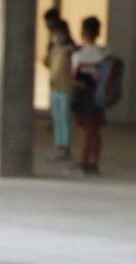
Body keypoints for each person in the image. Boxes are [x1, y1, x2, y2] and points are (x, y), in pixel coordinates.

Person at [70, 16, 109, 177]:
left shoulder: (79, 55)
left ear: (83, 32)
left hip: (84, 95)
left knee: (85, 130)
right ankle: (94, 162)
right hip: (99, 95)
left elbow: (74, 78)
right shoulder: (105, 53)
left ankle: (83, 162)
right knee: (96, 130)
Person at [47, 19, 75, 162]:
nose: (56, 37)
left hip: (65, 88)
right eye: (54, 35)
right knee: (57, 118)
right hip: (55, 87)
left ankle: (65, 146)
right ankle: (58, 145)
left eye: (59, 34)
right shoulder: (53, 50)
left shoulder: (69, 51)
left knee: (64, 118)